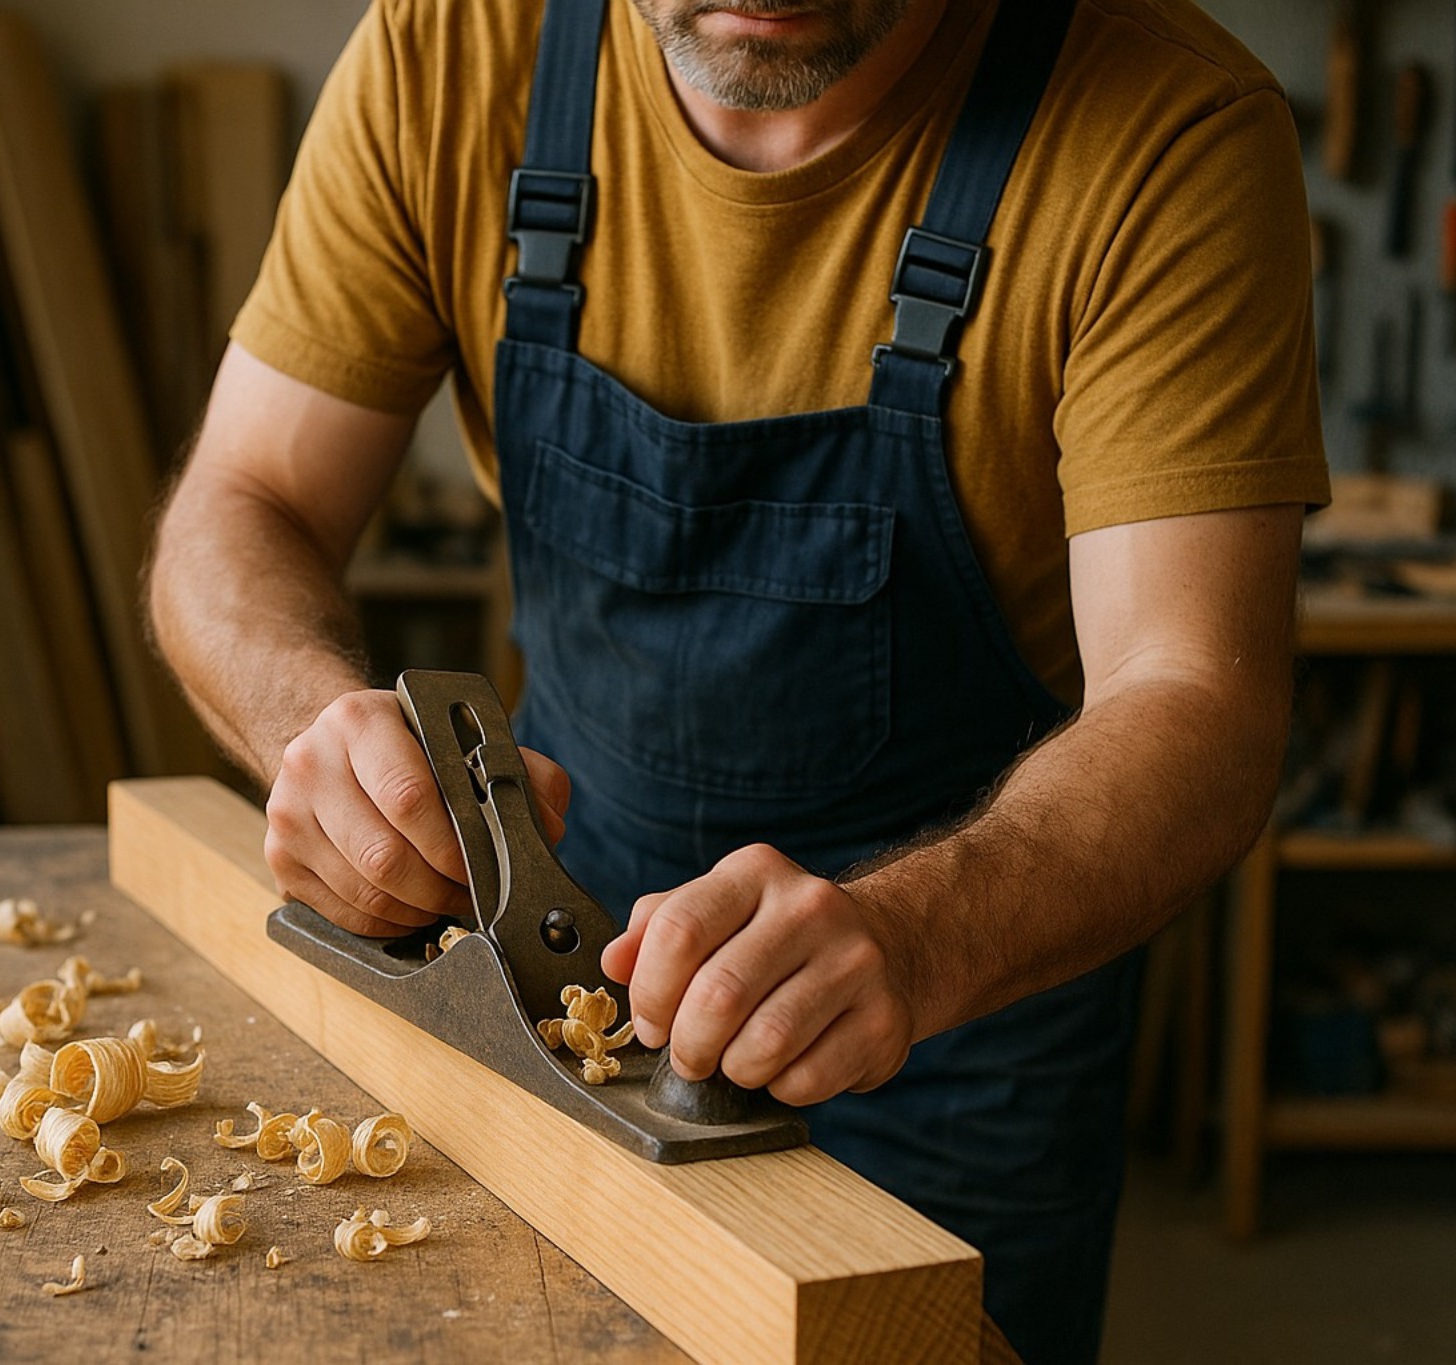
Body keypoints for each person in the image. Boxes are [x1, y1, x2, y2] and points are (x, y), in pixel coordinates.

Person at [149, 0, 1329, 1358]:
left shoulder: (1168, 130)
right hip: (565, 981)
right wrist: (316, 736)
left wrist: (917, 938)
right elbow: (245, 500)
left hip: (957, 1012)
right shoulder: (453, 53)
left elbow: (1196, 697)